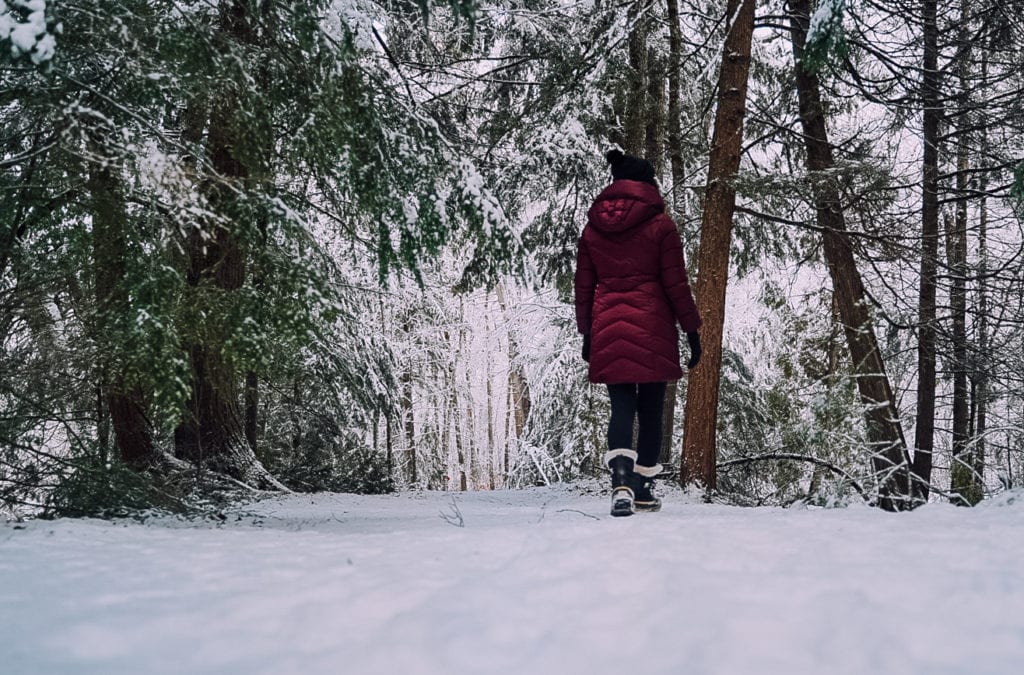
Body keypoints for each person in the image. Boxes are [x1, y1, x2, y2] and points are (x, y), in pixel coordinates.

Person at [574, 149, 702, 517]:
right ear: (647, 184)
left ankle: (621, 486)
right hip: (654, 328)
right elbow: (677, 284)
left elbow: (583, 286)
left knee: (621, 408)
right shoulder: (661, 225)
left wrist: (588, 332)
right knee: (650, 411)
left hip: (608, 327)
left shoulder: (592, 228)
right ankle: (644, 489)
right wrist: (691, 331)